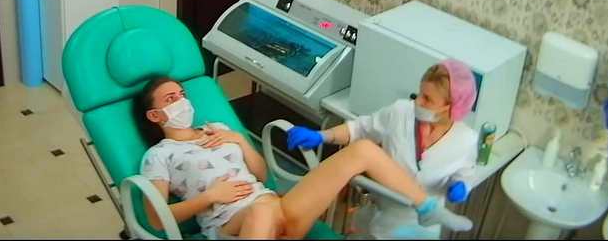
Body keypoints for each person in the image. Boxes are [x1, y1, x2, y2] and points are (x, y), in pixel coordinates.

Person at [135, 76, 473, 240]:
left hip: (279, 209)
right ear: (154, 115)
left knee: (364, 151)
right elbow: (156, 219)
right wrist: (212, 196)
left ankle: (427, 207)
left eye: (182, 93)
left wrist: (239, 140)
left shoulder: (219, 129)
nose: (182, 101)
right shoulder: (159, 155)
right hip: (231, 224)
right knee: (262, 210)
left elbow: (261, 174)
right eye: (170, 98)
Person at [288, 59, 479, 239]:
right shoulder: (401, 112)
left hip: (419, 228)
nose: (418, 102)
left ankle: (428, 210)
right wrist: (322, 136)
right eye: (420, 93)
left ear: (450, 107)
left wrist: (461, 185)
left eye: (427, 99)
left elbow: (466, 172)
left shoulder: (465, 140)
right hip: (379, 215)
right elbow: (359, 129)